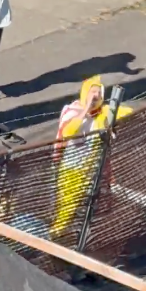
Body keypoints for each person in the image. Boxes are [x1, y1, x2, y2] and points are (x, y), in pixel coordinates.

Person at [51, 76, 132, 237]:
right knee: (67, 207)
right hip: (70, 169)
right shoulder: (72, 110)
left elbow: (128, 111)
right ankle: (55, 235)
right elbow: (68, 131)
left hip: (89, 169)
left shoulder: (102, 114)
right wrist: (86, 108)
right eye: (92, 92)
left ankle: (76, 235)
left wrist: (111, 114)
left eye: (98, 93)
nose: (95, 96)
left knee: (88, 205)